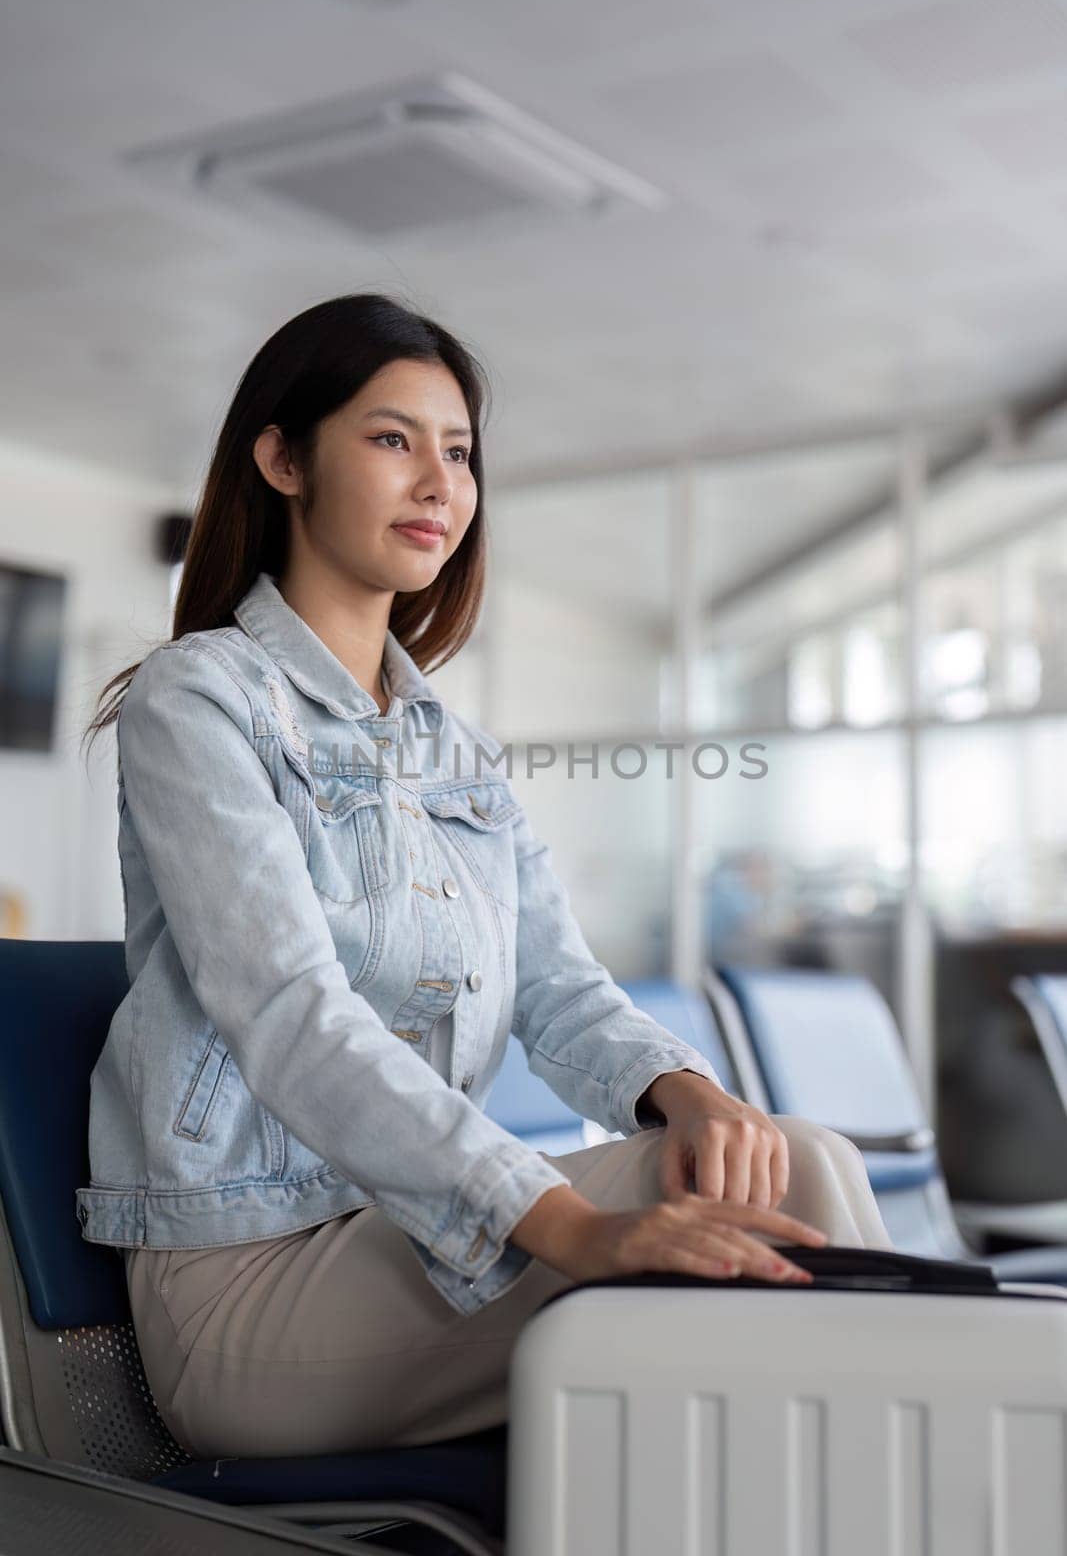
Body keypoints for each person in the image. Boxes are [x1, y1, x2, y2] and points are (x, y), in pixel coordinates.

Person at [78, 292, 892, 1459]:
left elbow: (560, 990)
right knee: (798, 1191)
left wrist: (687, 1093)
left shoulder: (451, 750)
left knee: (786, 1157)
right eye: (391, 438)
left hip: (406, 1238)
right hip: (244, 1285)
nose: (438, 484)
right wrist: (560, 1222)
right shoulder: (197, 698)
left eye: (456, 452)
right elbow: (291, 1014)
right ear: (281, 458)